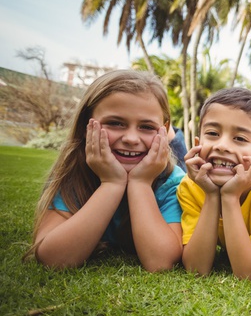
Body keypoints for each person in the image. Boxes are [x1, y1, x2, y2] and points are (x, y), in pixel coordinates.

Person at [26, 70, 185, 272]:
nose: (131, 138)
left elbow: (161, 263)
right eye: (115, 123)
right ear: (86, 125)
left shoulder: (172, 183)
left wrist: (140, 184)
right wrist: (112, 184)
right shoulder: (76, 174)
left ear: (164, 129)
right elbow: (53, 258)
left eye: (146, 127)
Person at [177, 88, 251, 278]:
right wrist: (211, 195)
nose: (222, 145)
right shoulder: (191, 185)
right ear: (198, 143)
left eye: (240, 138)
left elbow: (247, 273)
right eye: (213, 133)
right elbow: (196, 268)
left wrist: (230, 196)